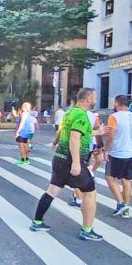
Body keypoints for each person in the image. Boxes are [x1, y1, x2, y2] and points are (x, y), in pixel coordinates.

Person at [30, 88, 103, 241]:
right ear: (88, 99)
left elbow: (69, 132)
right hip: (72, 161)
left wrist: (97, 132)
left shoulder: (70, 112)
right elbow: (75, 138)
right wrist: (76, 163)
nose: (95, 99)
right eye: (94, 97)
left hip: (60, 159)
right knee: (90, 192)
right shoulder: (81, 115)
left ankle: (37, 221)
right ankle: (87, 230)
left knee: (51, 191)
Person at [104, 95, 132, 219]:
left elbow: (110, 136)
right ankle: (126, 209)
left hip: (117, 152)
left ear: (117, 103)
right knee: (126, 180)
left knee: (109, 177)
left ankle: (121, 203)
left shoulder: (114, 117)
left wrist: (106, 150)